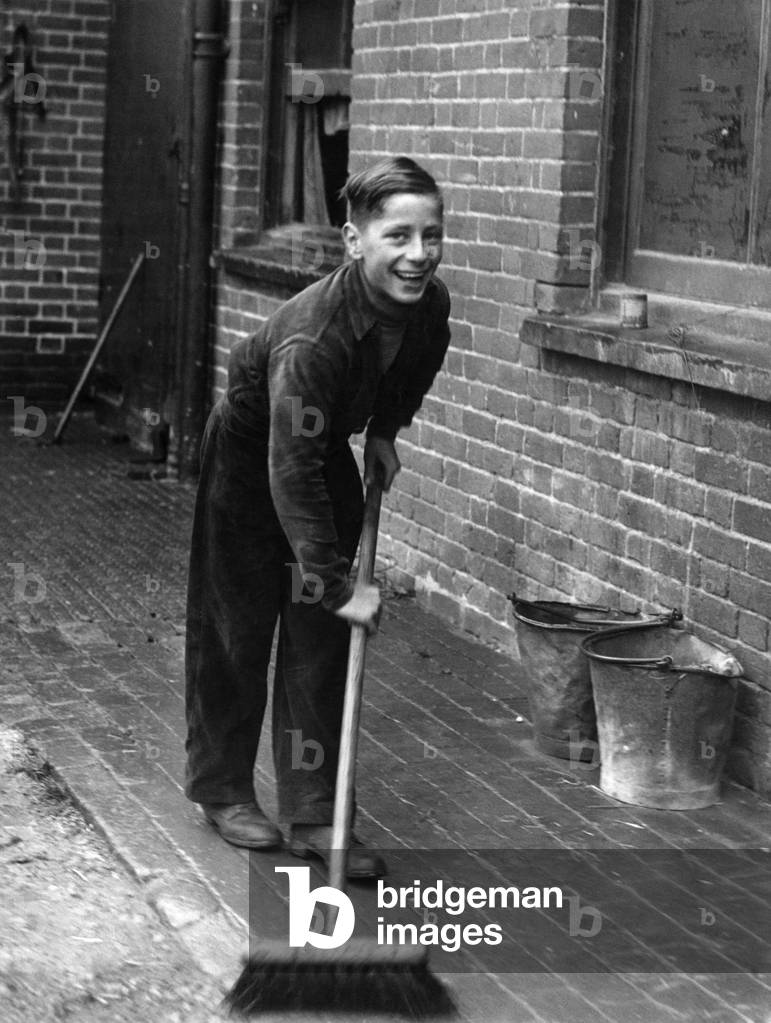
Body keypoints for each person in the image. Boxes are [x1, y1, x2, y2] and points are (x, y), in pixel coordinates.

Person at [184, 156, 451, 879]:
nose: (418, 254)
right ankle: (221, 789)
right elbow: (288, 472)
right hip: (249, 461)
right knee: (237, 626)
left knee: (320, 647)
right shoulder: (313, 336)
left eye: (430, 235)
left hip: (316, 442)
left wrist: (387, 431)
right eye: (397, 236)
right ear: (352, 240)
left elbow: (416, 367)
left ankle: (313, 812)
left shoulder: (428, 307)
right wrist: (338, 585)